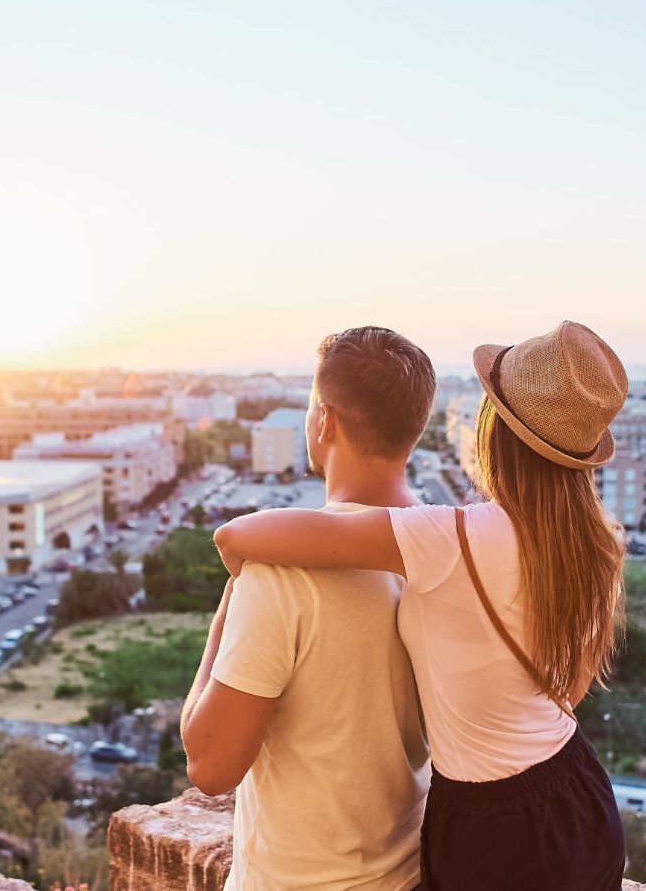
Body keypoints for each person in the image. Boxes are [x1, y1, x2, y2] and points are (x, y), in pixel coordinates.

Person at [214, 321, 628, 890]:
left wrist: (242, 577)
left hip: (492, 823)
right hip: (577, 790)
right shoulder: (596, 544)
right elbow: (569, 688)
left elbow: (237, 538)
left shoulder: (453, 537)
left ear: (494, 432)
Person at [181, 326, 435, 890]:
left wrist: (222, 622)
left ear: (324, 420)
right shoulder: (445, 552)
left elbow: (212, 767)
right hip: (409, 873)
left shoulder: (279, 571)